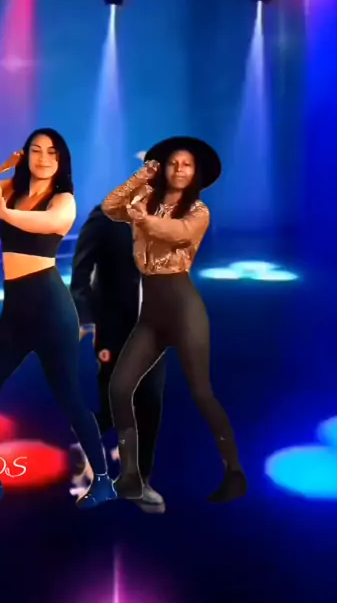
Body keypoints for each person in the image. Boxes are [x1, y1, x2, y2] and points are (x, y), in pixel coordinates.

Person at [101, 137, 247, 504]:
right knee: (120, 388)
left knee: (202, 392)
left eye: (187, 165)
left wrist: (142, 218)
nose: (179, 170)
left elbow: (175, 233)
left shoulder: (198, 210)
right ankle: (130, 475)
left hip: (183, 306)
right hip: (151, 312)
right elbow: (110, 207)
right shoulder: (144, 200)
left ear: (196, 173)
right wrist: (141, 176)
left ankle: (234, 472)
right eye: (173, 163)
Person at [0, 128, 116, 508]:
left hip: (50, 310)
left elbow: (40, 224)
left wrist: (1, 210)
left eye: (51, 152)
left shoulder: (63, 200)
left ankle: (103, 481)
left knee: (69, 397)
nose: (42, 158)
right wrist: (4, 168)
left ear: (61, 160)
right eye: (35, 151)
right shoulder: (14, 189)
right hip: (14, 311)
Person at [71, 204, 166, 513]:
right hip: (113, 330)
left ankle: (137, 481)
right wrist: (86, 320)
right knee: (115, 404)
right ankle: (88, 453)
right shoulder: (106, 216)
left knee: (150, 403)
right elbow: (80, 273)